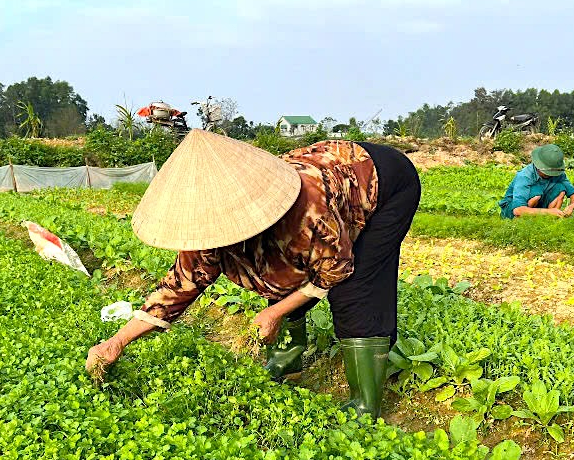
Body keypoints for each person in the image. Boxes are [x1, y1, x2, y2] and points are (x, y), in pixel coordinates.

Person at [85, 130, 422, 420]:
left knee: (356, 289)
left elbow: (335, 270)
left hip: (387, 183)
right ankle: (289, 358)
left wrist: (274, 312)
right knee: (271, 268)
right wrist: (116, 342)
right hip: (332, 171)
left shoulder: (307, 210)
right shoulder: (209, 226)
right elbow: (177, 289)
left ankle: (366, 404)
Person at [498, 144, 574, 219]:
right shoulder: (524, 176)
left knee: (561, 189)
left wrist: (571, 206)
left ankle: (550, 220)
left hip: (539, 206)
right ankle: (524, 221)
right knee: (536, 194)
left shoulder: (558, 173)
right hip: (513, 209)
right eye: (548, 172)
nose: (551, 175)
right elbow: (518, 210)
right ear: (538, 166)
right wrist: (549, 212)